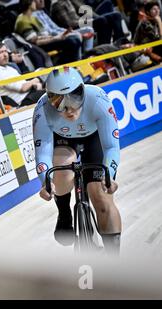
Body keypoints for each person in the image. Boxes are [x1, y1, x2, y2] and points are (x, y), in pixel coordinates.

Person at [33, 67, 121, 254]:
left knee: (102, 198)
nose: (68, 109)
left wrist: (109, 176)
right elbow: (43, 154)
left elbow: (111, 147)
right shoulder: (42, 110)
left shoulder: (98, 99)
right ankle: (64, 213)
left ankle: (115, 263)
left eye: (74, 98)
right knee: (62, 165)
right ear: (49, 99)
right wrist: (46, 183)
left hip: (93, 138)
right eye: (59, 102)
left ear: (83, 90)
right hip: (63, 142)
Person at [15, 0, 82, 64]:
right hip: (38, 47)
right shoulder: (22, 21)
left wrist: (59, 36)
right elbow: (36, 42)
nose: (35, 3)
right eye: (34, 1)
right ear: (29, 4)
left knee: (73, 39)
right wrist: (56, 38)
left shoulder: (32, 18)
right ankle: (65, 65)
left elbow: (42, 35)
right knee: (72, 41)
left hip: (44, 41)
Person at [0, 42, 45, 107]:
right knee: (50, 92)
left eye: (5, 51)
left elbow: (24, 83)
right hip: (22, 102)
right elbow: (23, 88)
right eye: (0, 52)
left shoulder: (9, 67)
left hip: (30, 94)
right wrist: (38, 78)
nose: (5, 55)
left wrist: (35, 84)